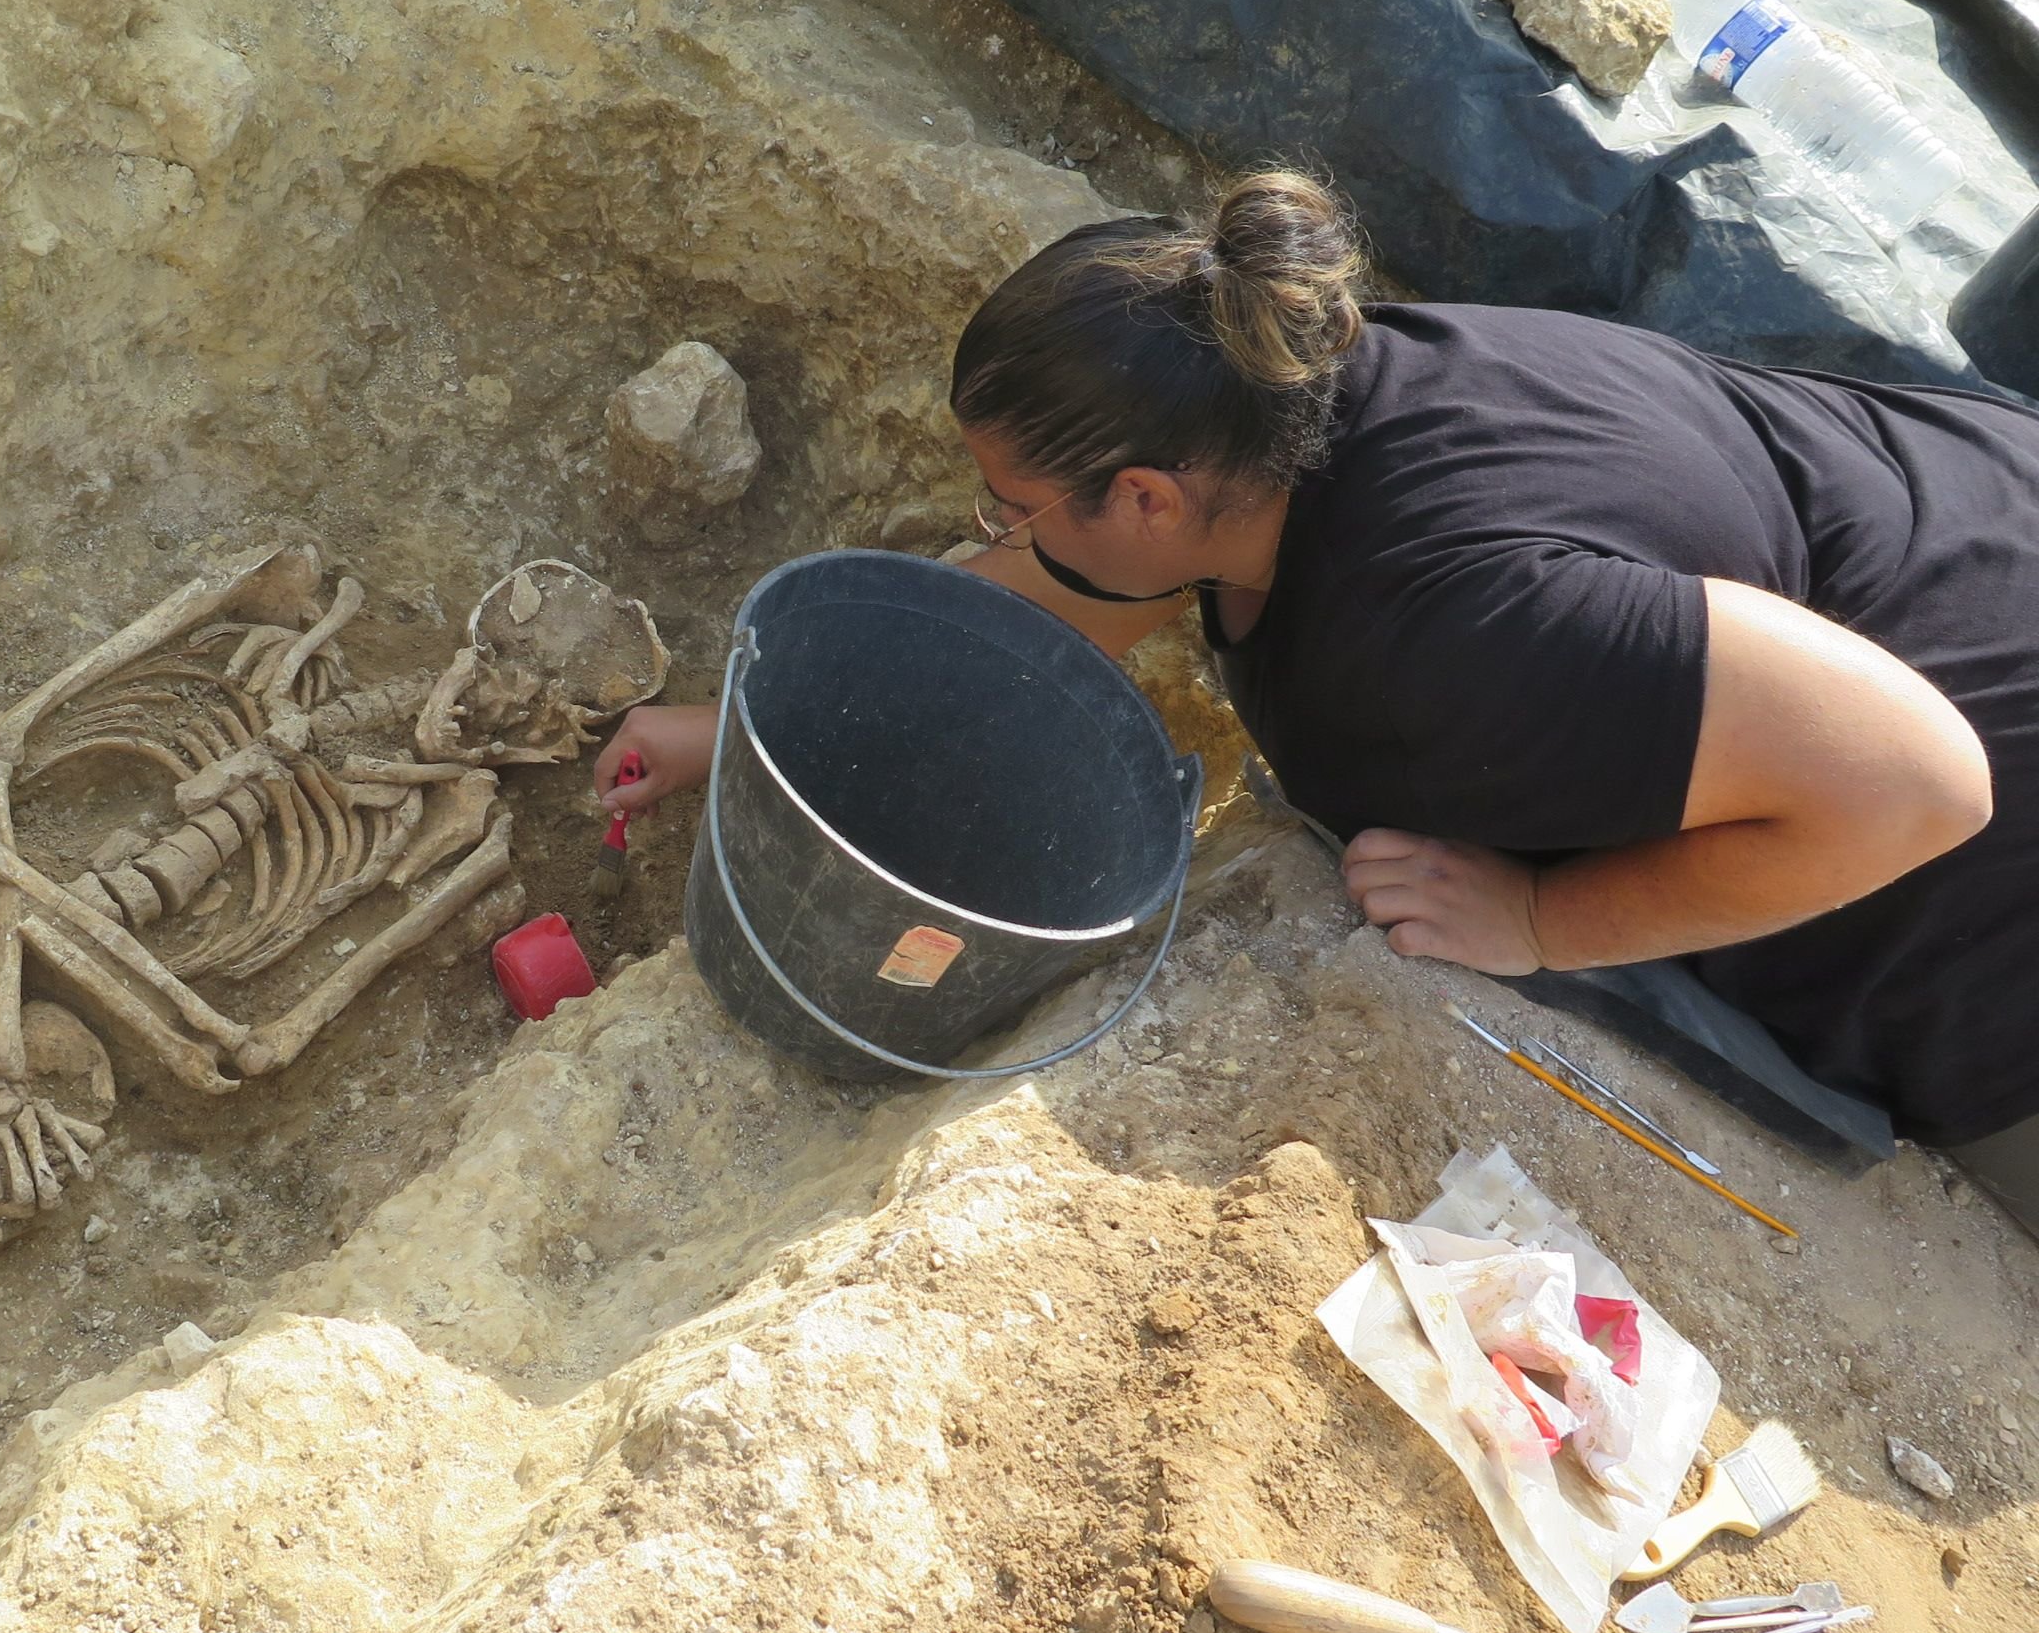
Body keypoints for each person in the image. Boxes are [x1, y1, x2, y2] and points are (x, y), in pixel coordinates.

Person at [597, 170, 2039, 1228]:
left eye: (1011, 505)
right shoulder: (1295, 390)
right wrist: (749, 729)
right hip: (1972, 521)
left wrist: (1543, 923)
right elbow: (1067, 589)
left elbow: (1922, 783)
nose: (995, 533)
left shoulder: (1465, 621)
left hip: (1986, 902)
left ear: (1149, 497)